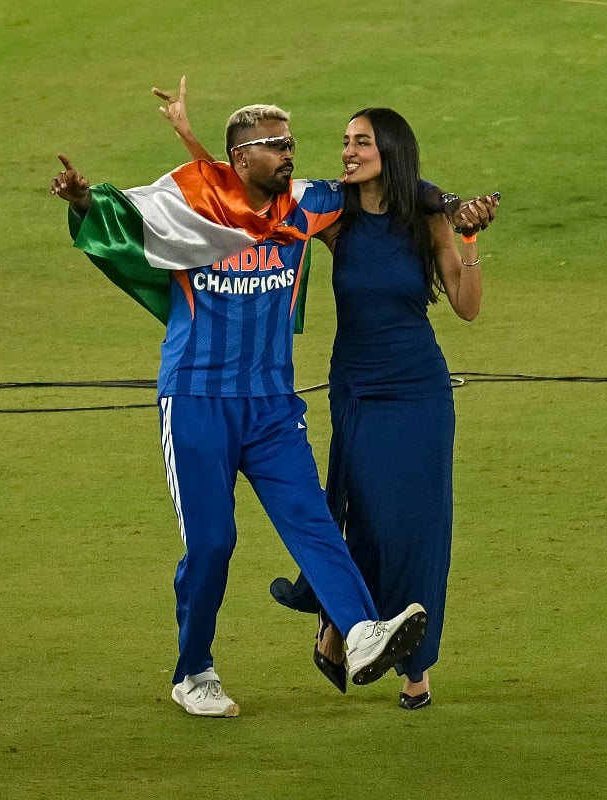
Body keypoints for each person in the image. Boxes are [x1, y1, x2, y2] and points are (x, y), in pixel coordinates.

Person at [49, 102, 435, 718]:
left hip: (273, 406)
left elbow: (383, 182)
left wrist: (447, 204)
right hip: (197, 401)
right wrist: (82, 201)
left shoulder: (305, 206)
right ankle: (193, 670)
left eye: (290, 142)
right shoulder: (188, 207)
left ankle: (361, 631)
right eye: (274, 145)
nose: (289, 152)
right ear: (240, 158)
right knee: (211, 544)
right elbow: (123, 218)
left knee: (311, 522)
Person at [157, 81, 497, 710]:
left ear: (388, 151)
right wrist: (186, 132)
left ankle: (391, 653)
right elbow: (238, 197)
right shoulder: (330, 215)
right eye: (343, 141)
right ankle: (310, 636)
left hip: (409, 387)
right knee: (345, 519)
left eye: (360, 142)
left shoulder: (427, 217)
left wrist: (460, 224)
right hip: (344, 388)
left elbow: (466, 302)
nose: (344, 151)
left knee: (393, 523)